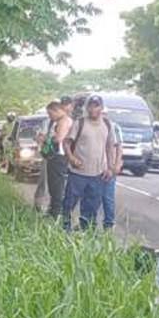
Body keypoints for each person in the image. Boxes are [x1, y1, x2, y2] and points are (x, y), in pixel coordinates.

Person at [62, 94, 114, 231]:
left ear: (101, 107)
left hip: (97, 174)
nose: (93, 109)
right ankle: (64, 229)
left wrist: (110, 168)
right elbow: (66, 142)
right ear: (86, 107)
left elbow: (109, 146)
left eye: (96, 106)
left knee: (91, 206)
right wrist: (71, 158)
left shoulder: (107, 124)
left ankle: (86, 231)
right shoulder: (80, 123)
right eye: (90, 106)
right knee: (69, 203)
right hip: (78, 172)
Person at [43, 100, 73, 219]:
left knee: (57, 186)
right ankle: (54, 209)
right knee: (53, 184)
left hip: (59, 157)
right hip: (56, 157)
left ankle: (56, 212)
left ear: (57, 110)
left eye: (51, 114)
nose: (50, 117)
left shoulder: (64, 121)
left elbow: (59, 138)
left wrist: (46, 139)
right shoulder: (60, 121)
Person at [99, 114, 124, 230]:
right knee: (91, 196)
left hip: (109, 166)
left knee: (107, 196)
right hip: (94, 167)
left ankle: (109, 223)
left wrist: (116, 164)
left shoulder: (114, 127)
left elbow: (119, 147)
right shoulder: (91, 125)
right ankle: (88, 222)